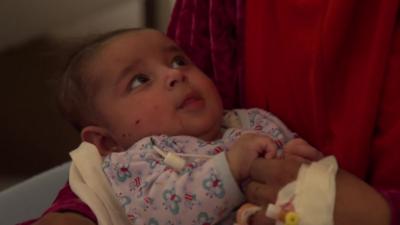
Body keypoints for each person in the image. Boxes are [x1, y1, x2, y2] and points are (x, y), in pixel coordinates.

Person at [23, 28, 321, 225]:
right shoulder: (136, 163)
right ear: (107, 141)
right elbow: (166, 213)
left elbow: (293, 156)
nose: (174, 75)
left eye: (178, 61)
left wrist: (298, 155)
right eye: (140, 80)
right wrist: (229, 168)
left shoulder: (249, 121)